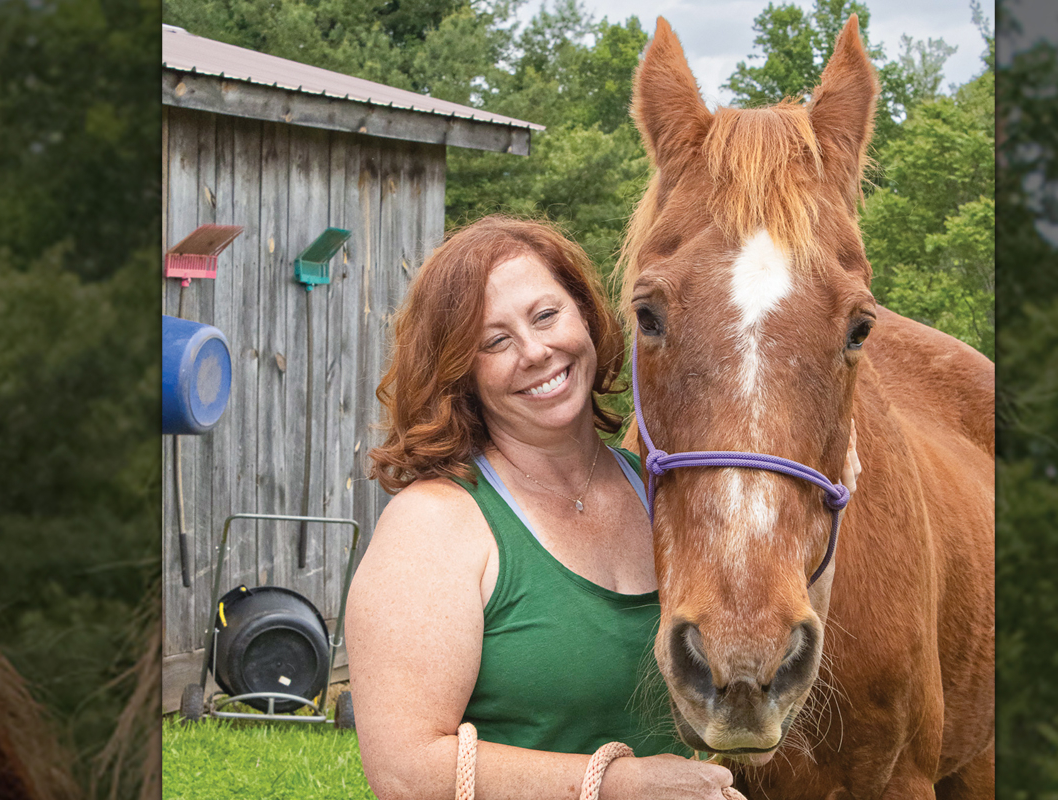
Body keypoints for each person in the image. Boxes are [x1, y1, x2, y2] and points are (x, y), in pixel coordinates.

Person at [343, 216, 860, 800]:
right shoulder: (435, 525)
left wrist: (832, 505)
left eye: (546, 316)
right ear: (460, 371)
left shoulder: (661, 494)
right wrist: (620, 785)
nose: (536, 351)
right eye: (495, 340)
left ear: (586, 317)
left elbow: (758, 672)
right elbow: (404, 773)